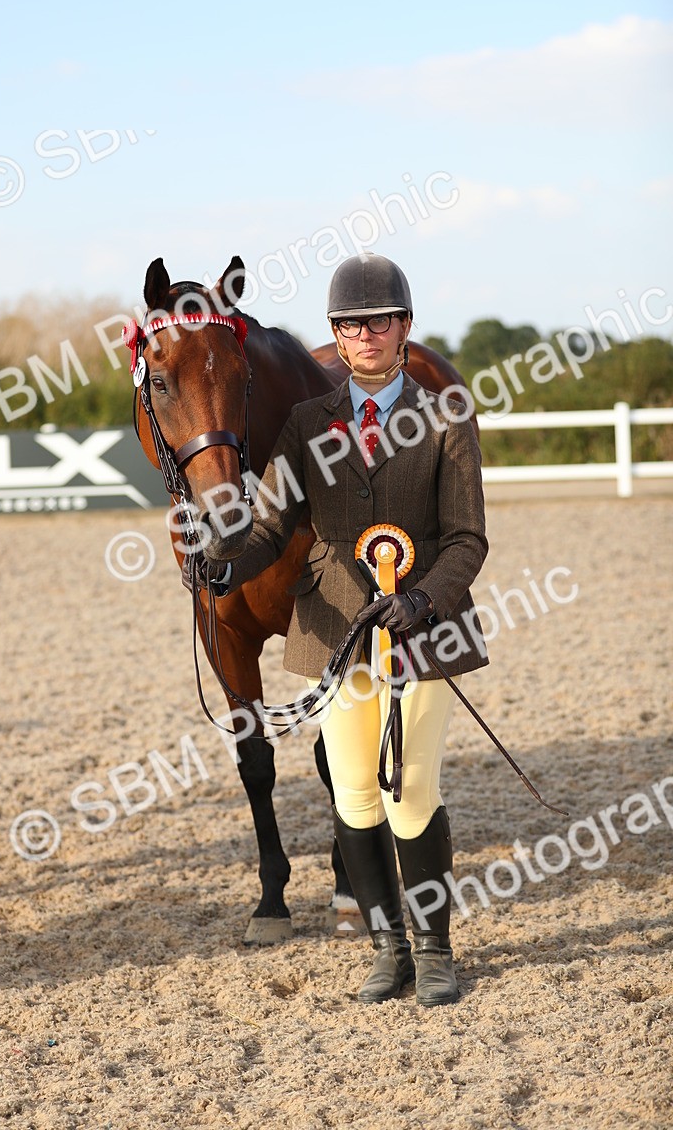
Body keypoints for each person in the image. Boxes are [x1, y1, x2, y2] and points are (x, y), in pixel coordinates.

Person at [196, 252, 488, 1007]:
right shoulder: (306, 424)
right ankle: (390, 950)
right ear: (336, 331)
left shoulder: (445, 418)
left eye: (379, 321)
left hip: (423, 631)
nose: (365, 335)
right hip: (336, 633)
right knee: (355, 795)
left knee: (409, 791)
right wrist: (223, 561)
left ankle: (436, 951)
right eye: (350, 324)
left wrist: (423, 600)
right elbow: (271, 526)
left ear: (404, 326)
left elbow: (467, 539)